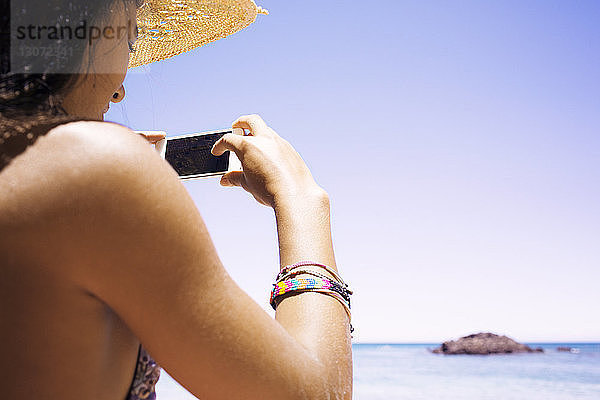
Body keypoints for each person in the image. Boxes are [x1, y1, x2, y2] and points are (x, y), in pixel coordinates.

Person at [0, 0, 353, 399]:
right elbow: (318, 393)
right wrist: (302, 199)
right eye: (129, 41)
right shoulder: (91, 170)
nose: (119, 90)